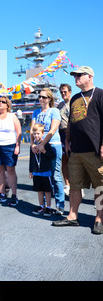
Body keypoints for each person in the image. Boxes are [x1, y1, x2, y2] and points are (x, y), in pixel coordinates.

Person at [52, 66, 103, 235]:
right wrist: (67, 141)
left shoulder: (100, 94)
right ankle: (72, 216)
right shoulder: (74, 98)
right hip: (76, 151)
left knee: (100, 186)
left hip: (94, 150)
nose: (76, 78)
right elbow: (72, 123)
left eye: (79, 75)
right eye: (75, 75)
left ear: (90, 76)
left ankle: (99, 219)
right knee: (74, 185)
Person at [30, 88, 65, 215]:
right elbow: (32, 130)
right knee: (41, 176)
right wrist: (33, 144)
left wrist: (42, 144)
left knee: (55, 176)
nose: (41, 99)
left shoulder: (54, 111)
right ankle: (44, 205)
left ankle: (60, 205)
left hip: (52, 145)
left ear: (49, 99)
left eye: (44, 97)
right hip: (39, 146)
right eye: (39, 97)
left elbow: (53, 129)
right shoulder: (36, 112)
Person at [29, 124, 55, 216]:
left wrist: (44, 151)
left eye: (38, 133)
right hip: (36, 172)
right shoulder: (33, 146)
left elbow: (52, 156)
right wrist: (31, 171)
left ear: (43, 134)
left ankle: (48, 207)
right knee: (39, 190)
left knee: (47, 190)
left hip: (45, 171)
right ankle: (41, 206)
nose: (36, 136)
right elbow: (31, 159)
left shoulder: (46, 144)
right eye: (35, 134)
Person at [57, 84, 72, 196]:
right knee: (64, 160)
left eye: (65, 92)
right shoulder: (60, 105)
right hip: (62, 133)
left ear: (70, 92)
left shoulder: (74, 103)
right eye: (61, 92)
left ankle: (77, 185)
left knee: (75, 160)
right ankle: (67, 184)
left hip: (73, 134)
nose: (63, 94)